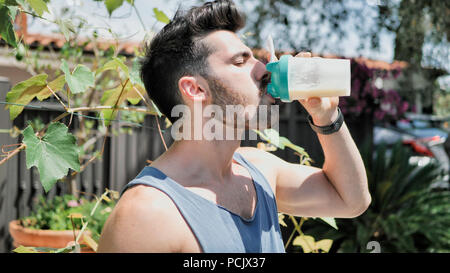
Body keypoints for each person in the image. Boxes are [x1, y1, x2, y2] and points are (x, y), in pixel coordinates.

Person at [97, 0, 371, 253]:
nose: (264, 69)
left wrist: (326, 115)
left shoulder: (258, 171)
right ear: (195, 89)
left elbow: (352, 200)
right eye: (240, 61)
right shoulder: (146, 214)